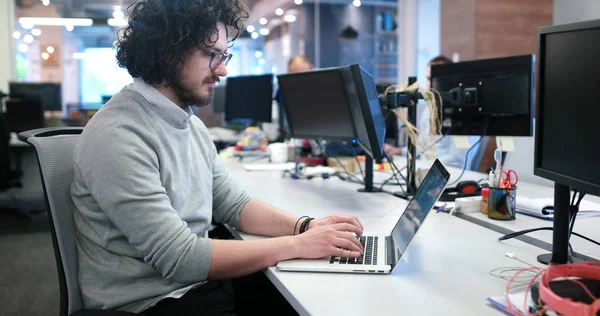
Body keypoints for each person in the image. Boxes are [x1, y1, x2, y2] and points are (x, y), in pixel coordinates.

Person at [71, 0, 364, 314]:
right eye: (211, 55)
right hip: (150, 303)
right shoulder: (118, 134)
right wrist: (299, 245)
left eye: (223, 55)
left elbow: (234, 205)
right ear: (167, 52)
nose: (222, 69)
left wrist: (305, 227)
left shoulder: (190, 125)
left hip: (195, 287)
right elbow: (180, 258)